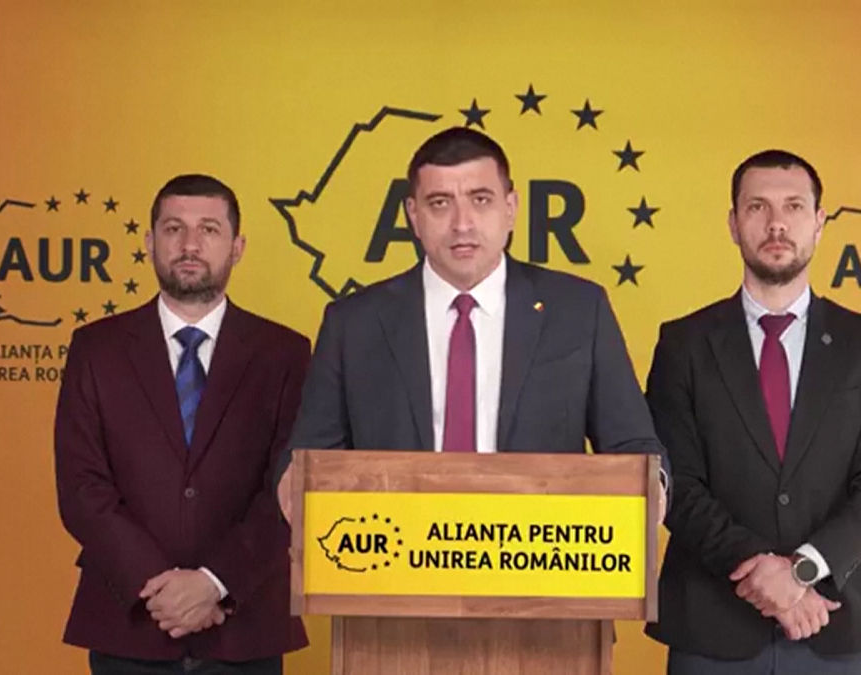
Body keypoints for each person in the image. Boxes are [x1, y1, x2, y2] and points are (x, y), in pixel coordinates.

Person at [276, 126, 669, 515]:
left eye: (481, 200)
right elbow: (309, 461)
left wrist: (652, 494)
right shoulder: (354, 324)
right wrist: (295, 490)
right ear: (413, 215)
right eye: (440, 203)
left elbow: (634, 451)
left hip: (539, 549)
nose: (462, 224)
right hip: (396, 549)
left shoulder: (579, 310)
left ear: (510, 208)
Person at [643, 150, 861, 674]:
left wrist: (803, 571)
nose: (776, 223)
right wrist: (763, 575)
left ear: (819, 222)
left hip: (835, 622)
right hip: (711, 627)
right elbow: (676, 481)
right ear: (733, 224)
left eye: (793, 206)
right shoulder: (683, 344)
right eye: (757, 207)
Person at [54, 174, 309, 675]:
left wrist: (215, 583)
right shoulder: (96, 349)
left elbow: (291, 487)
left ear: (237, 247)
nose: (190, 245)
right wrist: (161, 589)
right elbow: (82, 487)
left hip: (244, 625)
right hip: (129, 622)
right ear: (150, 242)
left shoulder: (286, 353)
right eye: (174, 229)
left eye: (209, 230)